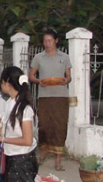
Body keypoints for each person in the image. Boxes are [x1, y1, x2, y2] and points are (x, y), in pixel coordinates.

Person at [0, 66, 76, 182]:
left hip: (22, 158)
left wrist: (1, 138)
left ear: (7, 83)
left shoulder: (24, 109)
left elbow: (27, 141)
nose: (1, 85)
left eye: (2, 82)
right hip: (9, 155)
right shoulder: (9, 102)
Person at [28, 29, 72, 171]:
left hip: (60, 96)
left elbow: (68, 77)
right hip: (44, 96)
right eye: (45, 41)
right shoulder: (38, 57)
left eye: (50, 41)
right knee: (44, 126)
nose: (47, 44)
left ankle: (58, 160)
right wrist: (39, 81)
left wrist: (64, 80)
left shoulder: (64, 57)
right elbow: (31, 76)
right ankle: (43, 153)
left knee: (59, 126)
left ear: (56, 41)